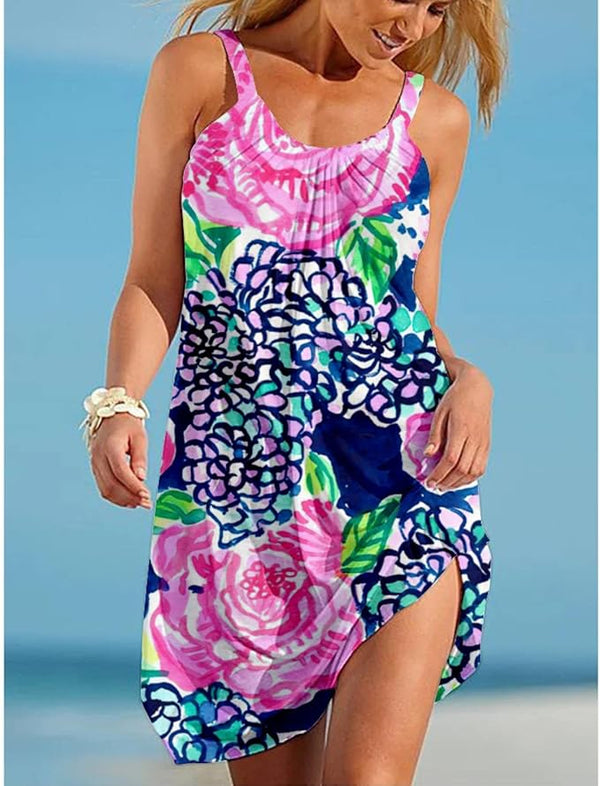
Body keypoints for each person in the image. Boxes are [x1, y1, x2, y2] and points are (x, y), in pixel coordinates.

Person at [80, 0, 507, 783]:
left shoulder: (435, 123)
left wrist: (470, 379)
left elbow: (411, 311)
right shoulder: (200, 73)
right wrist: (119, 402)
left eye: (438, 9)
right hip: (241, 506)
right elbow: (153, 275)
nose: (415, 25)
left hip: (398, 485)